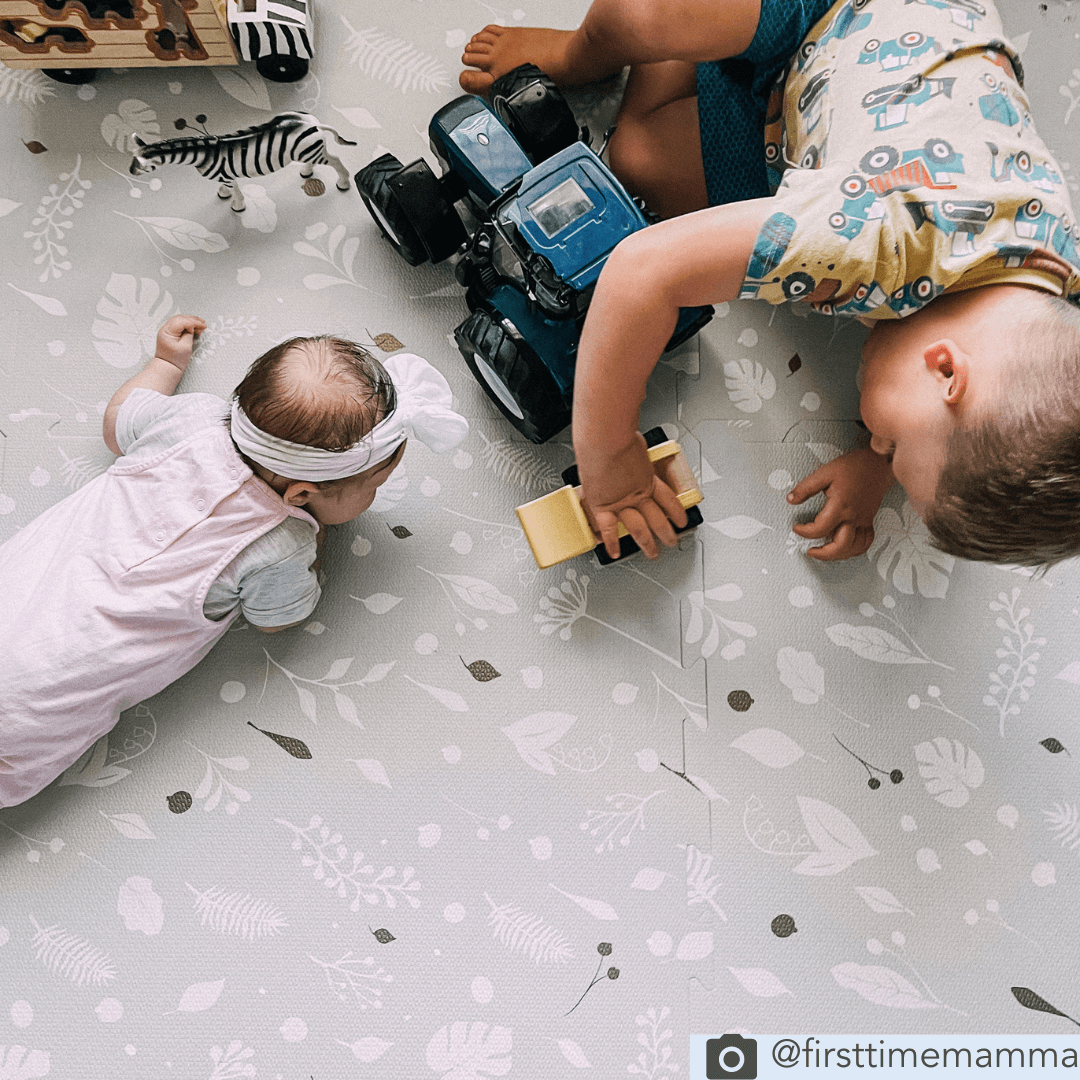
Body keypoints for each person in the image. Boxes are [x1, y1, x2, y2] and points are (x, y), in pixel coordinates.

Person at [460, 0, 1080, 568]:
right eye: (892, 444)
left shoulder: (1047, 285)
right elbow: (638, 272)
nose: (881, 443)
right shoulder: (874, 241)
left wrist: (879, 465)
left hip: (801, 114)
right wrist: (607, 457)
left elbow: (994, 419)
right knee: (643, 18)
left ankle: (724, 58)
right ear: (945, 369)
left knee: (633, 167)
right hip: (836, 6)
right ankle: (577, 51)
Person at [0, 317, 468, 807]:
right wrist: (316, 535)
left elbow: (117, 423)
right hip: (31, 710)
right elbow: (279, 618)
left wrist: (164, 364)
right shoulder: (281, 543)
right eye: (372, 487)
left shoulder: (190, 420)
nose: (372, 498)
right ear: (302, 493)